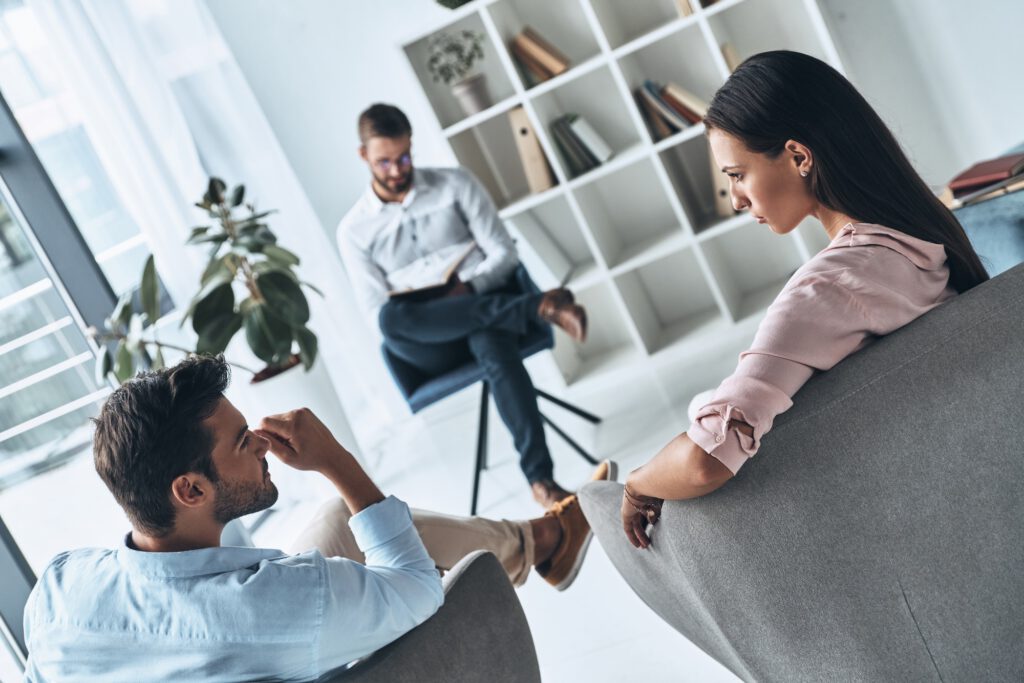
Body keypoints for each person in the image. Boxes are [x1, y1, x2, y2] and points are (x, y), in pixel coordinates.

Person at [22, 355, 613, 681]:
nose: (258, 440)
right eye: (238, 442)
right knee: (354, 508)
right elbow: (415, 589)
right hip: (281, 632)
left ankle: (541, 540)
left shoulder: (60, 587)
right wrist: (336, 460)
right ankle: (543, 540)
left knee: (336, 517)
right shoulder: (277, 602)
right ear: (191, 489)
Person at [620, 50, 989, 548]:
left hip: (869, 529)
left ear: (798, 156)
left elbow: (707, 459)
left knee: (611, 497)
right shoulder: (922, 237)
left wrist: (637, 481)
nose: (735, 200)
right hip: (954, 486)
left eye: (736, 174)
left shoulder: (826, 288)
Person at [338, 103, 588, 508]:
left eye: (403, 158)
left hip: (481, 309)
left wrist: (467, 290)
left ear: (412, 146)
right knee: (391, 318)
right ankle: (537, 306)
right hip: (426, 344)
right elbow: (375, 313)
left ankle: (542, 483)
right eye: (384, 162)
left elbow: (503, 254)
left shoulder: (455, 185)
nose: (396, 170)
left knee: (489, 337)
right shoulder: (353, 231)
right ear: (363, 155)